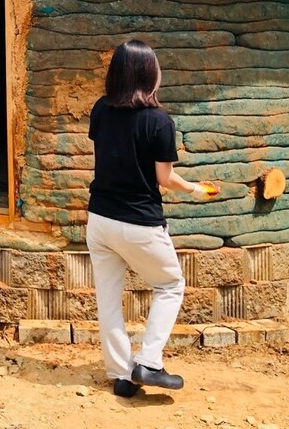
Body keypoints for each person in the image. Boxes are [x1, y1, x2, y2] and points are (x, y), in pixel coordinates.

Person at [86, 39, 219, 397]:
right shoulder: (159, 121)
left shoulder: (100, 109)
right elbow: (164, 179)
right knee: (170, 285)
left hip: (99, 219)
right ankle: (149, 362)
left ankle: (122, 375)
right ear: (150, 74)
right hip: (138, 222)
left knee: (109, 299)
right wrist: (195, 190)